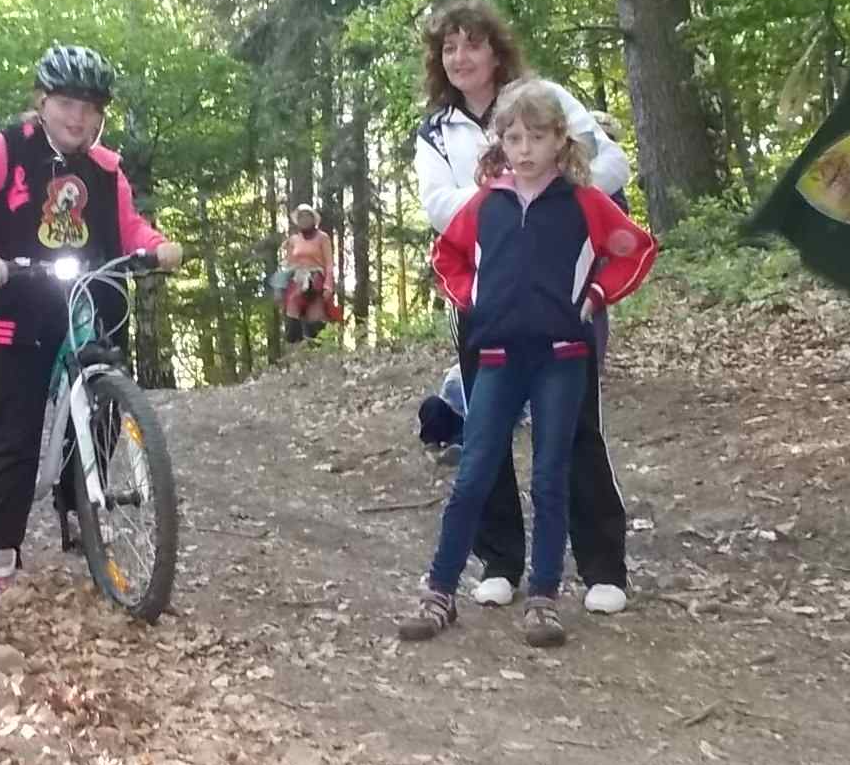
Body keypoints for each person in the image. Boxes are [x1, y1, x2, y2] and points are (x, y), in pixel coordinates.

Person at [401, 80, 656, 648]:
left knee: (549, 476)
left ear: (560, 139)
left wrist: (594, 297)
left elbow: (635, 249)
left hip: (561, 359)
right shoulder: (485, 203)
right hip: (497, 358)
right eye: (513, 138)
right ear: (500, 143)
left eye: (536, 137)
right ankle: (439, 591)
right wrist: (473, 297)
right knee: (474, 472)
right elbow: (447, 254)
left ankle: (543, 598)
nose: (524, 149)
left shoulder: (584, 201)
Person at [0, 45, 183, 591]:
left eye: (91, 108)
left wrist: (156, 245)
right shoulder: (8, 148)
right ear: (42, 101)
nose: (79, 118)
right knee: (17, 425)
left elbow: (129, 226)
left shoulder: (105, 168)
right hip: (19, 298)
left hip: (90, 298)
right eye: (67, 104)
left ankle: (82, 510)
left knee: (104, 406)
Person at [278, 205, 338, 344]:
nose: (304, 219)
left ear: (313, 219)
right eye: (301, 217)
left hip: (316, 280)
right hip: (297, 280)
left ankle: (318, 350)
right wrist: (282, 284)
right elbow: (288, 264)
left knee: (315, 318)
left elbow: (329, 264)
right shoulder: (293, 240)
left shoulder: (323, 238)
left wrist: (328, 285)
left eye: (307, 216)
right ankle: (295, 349)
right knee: (292, 315)